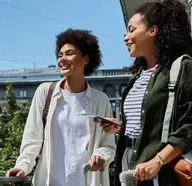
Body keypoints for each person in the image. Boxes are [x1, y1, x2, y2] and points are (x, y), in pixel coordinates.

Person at [103, 0, 192, 186]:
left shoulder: (184, 69)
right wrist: (122, 128)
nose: (125, 37)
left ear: (153, 31)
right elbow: (153, 123)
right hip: (129, 168)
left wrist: (157, 161)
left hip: (160, 173)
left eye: (132, 30)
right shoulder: (137, 77)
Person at [6, 28, 116, 186]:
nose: (62, 59)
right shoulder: (45, 92)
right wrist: (22, 166)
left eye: (69, 53)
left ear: (85, 59)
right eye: (60, 55)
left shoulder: (101, 100)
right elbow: (32, 139)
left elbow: (108, 145)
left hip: (87, 181)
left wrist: (100, 156)